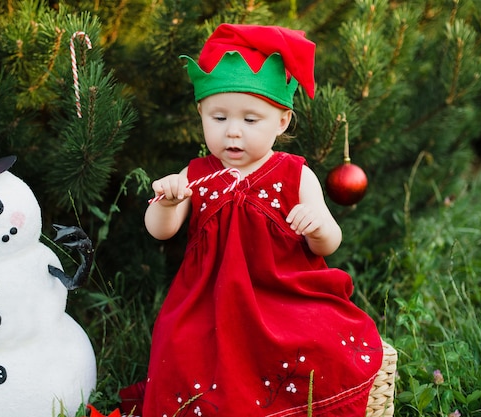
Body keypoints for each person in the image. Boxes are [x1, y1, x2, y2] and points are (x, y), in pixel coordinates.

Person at [142, 24, 383, 416]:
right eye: (218, 117)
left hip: (286, 294)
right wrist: (167, 203)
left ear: (282, 121)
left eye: (250, 120)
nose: (232, 132)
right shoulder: (196, 174)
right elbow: (161, 231)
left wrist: (319, 226)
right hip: (208, 303)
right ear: (201, 112)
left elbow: (328, 243)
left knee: (321, 340)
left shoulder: (295, 174)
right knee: (178, 344)